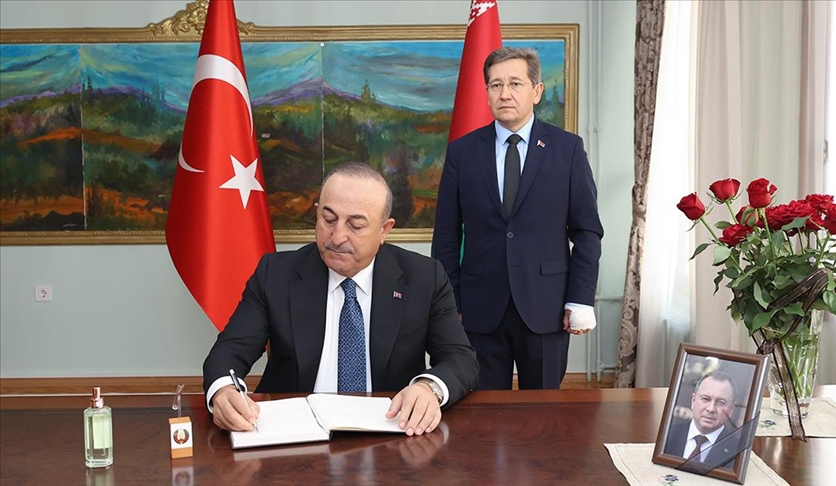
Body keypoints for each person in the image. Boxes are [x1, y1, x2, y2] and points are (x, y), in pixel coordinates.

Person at [204, 162, 478, 436]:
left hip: (391, 432)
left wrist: (429, 388)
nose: (337, 237)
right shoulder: (275, 274)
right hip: (294, 433)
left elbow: (460, 358)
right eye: (328, 219)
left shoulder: (424, 278)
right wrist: (223, 390)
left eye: (355, 225)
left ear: (384, 230)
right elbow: (230, 350)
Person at [432, 47, 603, 390]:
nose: (504, 93)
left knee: (542, 414)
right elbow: (447, 236)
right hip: (479, 311)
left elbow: (586, 232)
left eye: (515, 83)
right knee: (481, 412)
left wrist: (580, 298)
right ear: (486, 92)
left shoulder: (567, 149)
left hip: (547, 308)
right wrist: (451, 303)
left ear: (536, 91)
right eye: (495, 85)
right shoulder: (463, 152)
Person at [664, 371, 741, 469]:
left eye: (720, 402)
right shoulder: (667, 434)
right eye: (705, 399)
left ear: (731, 410)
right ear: (693, 400)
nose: (711, 409)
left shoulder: (738, 451)